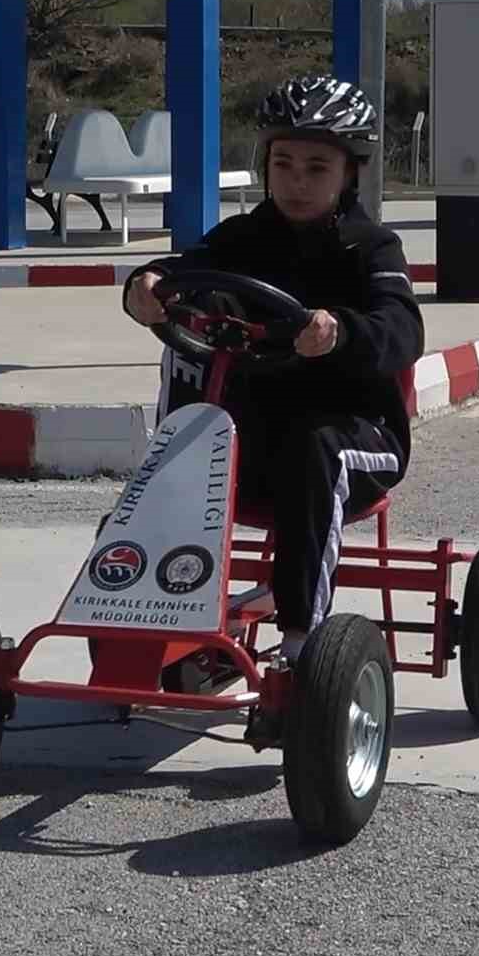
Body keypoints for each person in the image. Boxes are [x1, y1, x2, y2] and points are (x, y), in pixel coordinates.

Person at [122, 75, 425, 677]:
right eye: (283, 163)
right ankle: (137, 617)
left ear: (350, 174)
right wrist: (145, 288)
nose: (296, 180)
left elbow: (402, 329)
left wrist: (340, 332)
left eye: (316, 167)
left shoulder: (370, 248)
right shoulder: (242, 238)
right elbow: (180, 271)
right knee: (185, 442)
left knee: (317, 451)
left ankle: (300, 648)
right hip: (253, 441)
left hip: (357, 437)